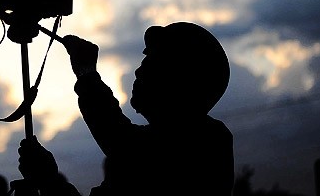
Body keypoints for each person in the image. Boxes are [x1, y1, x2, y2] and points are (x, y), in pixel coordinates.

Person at [18, 21, 233, 196]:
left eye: (152, 64)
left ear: (181, 80)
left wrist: (87, 74)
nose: (139, 71)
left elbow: (122, 141)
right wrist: (49, 182)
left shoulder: (206, 140)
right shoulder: (183, 140)